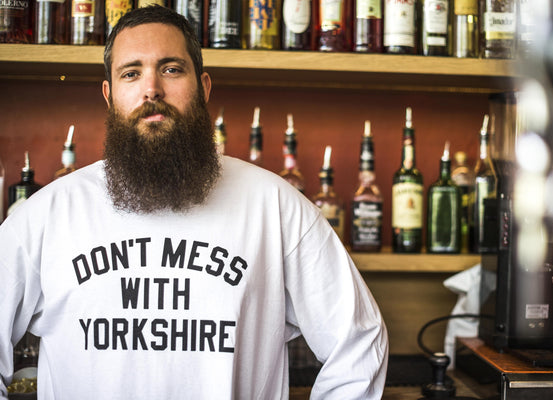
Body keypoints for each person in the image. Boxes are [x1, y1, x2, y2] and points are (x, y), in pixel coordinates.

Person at [0, 5, 388, 399]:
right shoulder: (44, 216)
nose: (151, 89)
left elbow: (359, 344)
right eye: (131, 73)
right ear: (109, 93)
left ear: (203, 88)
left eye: (171, 69)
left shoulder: (276, 207)